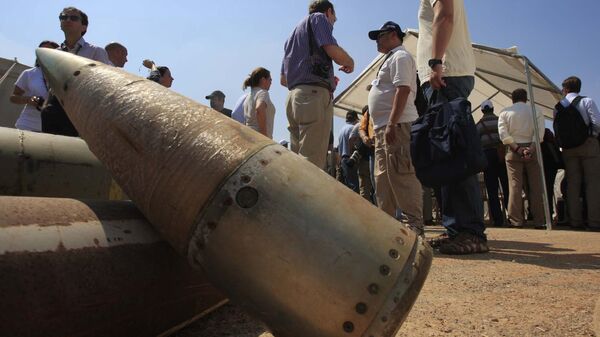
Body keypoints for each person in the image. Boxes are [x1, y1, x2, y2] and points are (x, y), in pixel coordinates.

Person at [417, 0, 488, 253]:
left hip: (447, 74)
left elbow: (445, 16)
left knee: (455, 155)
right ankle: (457, 229)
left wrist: (436, 62)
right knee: (447, 156)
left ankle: (471, 232)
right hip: (446, 75)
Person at [281, 0, 354, 169]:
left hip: (293, 97)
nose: (332, 25)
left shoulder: (291, 36)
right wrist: (350, 61)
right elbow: (332, 49)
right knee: (312, 164)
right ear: (329, 12)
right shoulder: (319, 18)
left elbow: (283, 80)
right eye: (334, 20)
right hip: (312, 96)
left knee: (298, 162)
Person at [368, 21, 423, 235]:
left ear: (392, 35)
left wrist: (391, 122)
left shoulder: (400, 56)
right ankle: (387, 229)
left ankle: (415, 226)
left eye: (379, 36)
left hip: (398, 125)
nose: (377, 41)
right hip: (385, 127)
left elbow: (403, 90)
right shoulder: (390, 59)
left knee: (402, 175)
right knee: (383, 180)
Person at [41, 6, 112, 136]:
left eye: (73, 18)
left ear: (83, 27)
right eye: (63, 17)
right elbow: (49, 84)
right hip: (55, 109)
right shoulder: (54, 54)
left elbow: (103, 83)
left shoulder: (96, 52)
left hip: (82, 110)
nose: (67, 20)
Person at [556, 76, 600, 230]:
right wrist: (591, 136)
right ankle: (594, 222)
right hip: (588, 144)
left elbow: (557, 128)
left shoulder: (559, 106)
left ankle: (575, 221)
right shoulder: (587, 101)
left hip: (568, 148)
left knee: (572, 184)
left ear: (565, 88)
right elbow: (597, 123)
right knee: (593, 183)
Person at [498, 88, 545, 227]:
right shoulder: (536, 111)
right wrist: (530, 148)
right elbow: (539, 132)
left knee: (515, 186)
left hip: (513, 150)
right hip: (533, 149)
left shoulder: (505, 112)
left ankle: (516, 220)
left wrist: (517, 148)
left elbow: (503, 134)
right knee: (536, 186)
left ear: (512, 99)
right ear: (526, 99)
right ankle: (539, 220)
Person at [9, 40, 59, 132]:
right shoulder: (29, 73)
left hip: (53, 128)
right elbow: (13, 97)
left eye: (48, 51)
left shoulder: (62, 76)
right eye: (41, 51)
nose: (43, 54)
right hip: (27, 125)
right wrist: (29, 99)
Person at [476, 100, 509, 227]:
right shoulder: (500, 121)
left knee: (492, 189)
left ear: (482, 110)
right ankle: (511, 216)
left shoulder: (479, 125)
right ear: (493, 108)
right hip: (502, 155)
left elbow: (476, 144)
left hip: (487, 156)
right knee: (506, 186)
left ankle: (498, 219)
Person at [243, 67, 275, 138]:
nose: (271, 83)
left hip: (249, 137)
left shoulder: (247, 97)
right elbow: (259, 109)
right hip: (259, 138)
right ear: (263, 80)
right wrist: (264, 135)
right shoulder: (263, 93)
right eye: (270, 80)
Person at [337, 110, 360, 193]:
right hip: (350, 159)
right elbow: (352, 141)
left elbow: (339, 148)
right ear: (355, 119)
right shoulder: (352, 128)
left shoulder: (342, 129)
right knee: (354, 186)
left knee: (347, 185)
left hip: (343, 159)